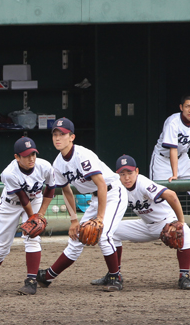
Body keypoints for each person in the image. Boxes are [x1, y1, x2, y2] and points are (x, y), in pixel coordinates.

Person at [37, 117, 129, 291]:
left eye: (62, 134)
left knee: (103, 234)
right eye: (55, 134)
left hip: (113, 193)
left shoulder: (82, 155)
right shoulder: (57, 164)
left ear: (72, 137)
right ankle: (47, 276)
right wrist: (74, 220)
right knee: (76, 239)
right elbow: (66, 191)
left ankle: (115, 277)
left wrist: (100, 218)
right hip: (95, 198)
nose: (58, 138)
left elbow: (101, 184)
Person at [90, 154, 190, 290]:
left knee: (185, 231)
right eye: (122, 174)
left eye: (130, 172)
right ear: (117, 175)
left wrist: (180, 221)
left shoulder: (142, 183)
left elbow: (172, 195)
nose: (126, 177)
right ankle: (114, 274)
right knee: (111, 231)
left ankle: (184, 277)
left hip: (166, 223)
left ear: (137, 172)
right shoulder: (119, 188)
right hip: (145, 226)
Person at [0, 137, 55, 295]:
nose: (31, 158)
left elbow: (50, 189)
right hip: (10, 205)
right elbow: (22, 197)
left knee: (32, 239)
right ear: (17, 157)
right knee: (1, 247)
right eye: (26, 155)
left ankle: (31, 280)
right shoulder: (9, 173)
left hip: (35, 200)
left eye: (33, 153)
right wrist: (32, 216)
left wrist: (40, 214)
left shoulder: (45, 166)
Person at [149, 95, 190, 200]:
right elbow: (173, 149)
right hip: (162, 160)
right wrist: (175, 174)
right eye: (187, 106)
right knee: (158, 195)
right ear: (181, 107)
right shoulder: (173, 122)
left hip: (183, 157)